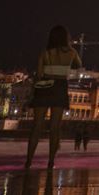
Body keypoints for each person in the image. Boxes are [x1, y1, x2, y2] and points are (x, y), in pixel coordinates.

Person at [24, 25, 82, 169]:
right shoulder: (71, 52)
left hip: (44, 86)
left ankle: (29, 161)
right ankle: (51, 162)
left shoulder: (45, 52)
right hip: (60, 87)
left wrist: (32, 94)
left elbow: (38, 74)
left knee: (36, 127)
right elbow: (78, 65)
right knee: (55, 127)